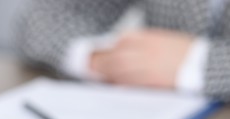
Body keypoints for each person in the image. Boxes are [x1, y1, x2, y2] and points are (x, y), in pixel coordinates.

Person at [16, 0, 230, 102]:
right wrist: (99, 59)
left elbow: (197, 63)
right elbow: (46, 15)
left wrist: (200, 64)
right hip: (151, 116)